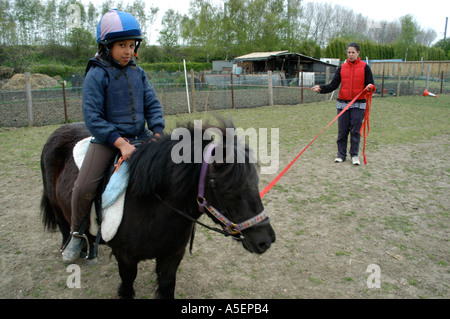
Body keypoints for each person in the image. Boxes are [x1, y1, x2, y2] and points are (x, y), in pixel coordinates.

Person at [62, 9, 165, 263]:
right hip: (108, 141)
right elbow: (93, 118)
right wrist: (119, 142)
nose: (128, 51)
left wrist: (158, 132)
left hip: (140, 137)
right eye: (122, 45)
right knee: (84, 186)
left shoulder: (138, 73)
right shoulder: (96, 74)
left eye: (131, 45)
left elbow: (152, 104)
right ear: (107, 46)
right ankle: (76, 234)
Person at [312, 42, 375, 165]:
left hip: (359, 104)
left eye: (353, 52)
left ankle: (354, 155)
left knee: (355, 131)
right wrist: (320, 88)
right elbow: (333, 85)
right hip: (343, 105)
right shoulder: (342, 68)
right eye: (349, 52)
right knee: (342, 131)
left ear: (358, 53)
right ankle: (341, 154)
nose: (350, 55)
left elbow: (371, 85)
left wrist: (369, 87)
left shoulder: (365, 67)